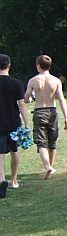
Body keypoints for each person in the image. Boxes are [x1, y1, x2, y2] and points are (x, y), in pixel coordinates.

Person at [24, 55, 67, 180]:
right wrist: (66, 118)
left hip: (39, 111)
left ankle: (47, 166)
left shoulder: (33, 80)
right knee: (52, 140)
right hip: (52, 111)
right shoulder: (56, 81)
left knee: (41, 141)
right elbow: (61, 99)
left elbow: (26, 98)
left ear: (38, 66)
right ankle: (51, 166)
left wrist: (29, 98)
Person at [0, 54, 30, 196]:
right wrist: (27, 123)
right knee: (14, 150)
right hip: (13, 122)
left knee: (0, 152)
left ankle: (1, 179)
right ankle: (13, 180)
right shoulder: (16, 83)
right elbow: (22, 104)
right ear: (9, 65)